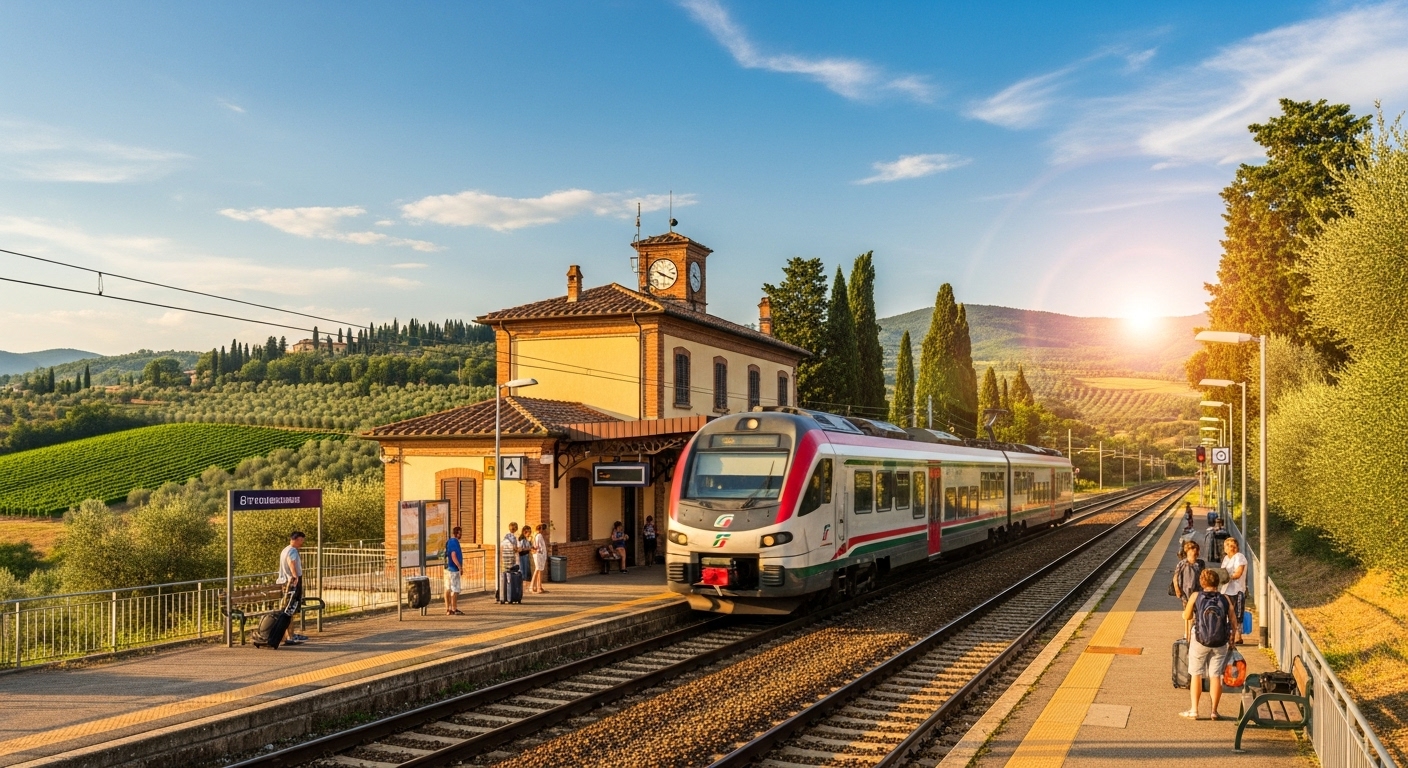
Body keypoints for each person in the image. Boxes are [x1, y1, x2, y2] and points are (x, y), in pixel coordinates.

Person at [1182, 568, 1236, 719]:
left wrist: (1187, 612)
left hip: (1200, 640)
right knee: (1216, 676)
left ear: (1202, 582)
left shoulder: (1196, 596)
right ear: (1217, 582)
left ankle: (1194, 710)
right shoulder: (1225, 598)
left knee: (1196, 674)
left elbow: (1186, 616)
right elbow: (1233, 620)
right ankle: (1214, 711)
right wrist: (1232, 639)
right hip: (1220, 641)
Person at [276, 531, 308, 645]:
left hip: (284, 582)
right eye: (301, 540)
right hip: (291, 582)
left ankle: (286, 635)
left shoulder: (285, 550)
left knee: (286, 609)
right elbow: (292, 563)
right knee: (290, 609)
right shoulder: (293, 551)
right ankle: (290, 636)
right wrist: (295, 577)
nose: (302, 543)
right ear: (295, 539)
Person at [1221, 536, 1248, 645]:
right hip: (1226, 590)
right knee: (1227, 613)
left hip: (1237, 590)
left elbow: (1238, 573)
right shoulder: (1226, 558)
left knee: (1237, 613)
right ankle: (1229, 634)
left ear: (1233, 547)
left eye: (1227, 546)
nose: (1226, 548)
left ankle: (1238, 636)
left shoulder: (1239, 557)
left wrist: (1227, 577)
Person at [444, 526, 464, 615]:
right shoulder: (454, 542)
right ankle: (454, 608)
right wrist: (459, 567)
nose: (461, 535)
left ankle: (448, 609)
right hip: (453, 569)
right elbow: (453, 555)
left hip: (448, 569)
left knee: (447, 588)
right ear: (457, 533)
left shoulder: (449, 542)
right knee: (455, 590)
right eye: (460, 533)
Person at [530, 524, 549, 594]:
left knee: (540, 570)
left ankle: (539, 586)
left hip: (539, 554)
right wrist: (540, 552)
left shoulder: (536, 535)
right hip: (539, 555)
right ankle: (532, 586)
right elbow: (538, 546)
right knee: (537, 570)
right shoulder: (538, 536)